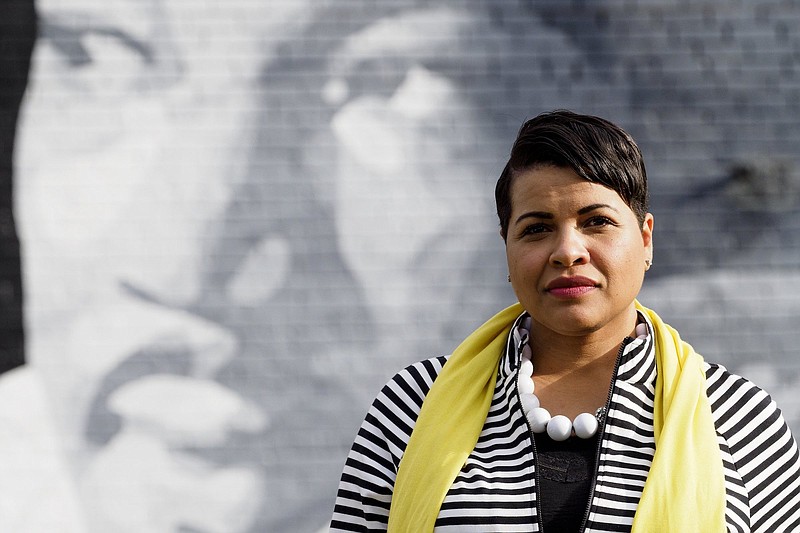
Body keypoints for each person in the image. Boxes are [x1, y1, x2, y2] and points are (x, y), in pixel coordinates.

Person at [330, 110, 800, 531]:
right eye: (536, 229)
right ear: (508, 253)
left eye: (597, 222)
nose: (568, 251)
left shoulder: (739, 416)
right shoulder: (412, 404)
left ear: (646, 240)